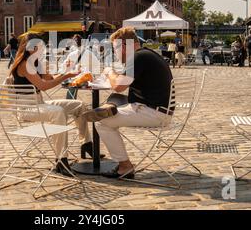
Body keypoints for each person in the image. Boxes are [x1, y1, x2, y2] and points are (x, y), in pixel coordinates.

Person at [81, 27, 174, 179]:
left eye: (115, 48)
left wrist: (109, 71)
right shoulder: (145, 55)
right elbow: (123, 81)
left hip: (153, 113)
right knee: (114, 101)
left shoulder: (138, 58)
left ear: (123, 46)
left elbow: (119, 86)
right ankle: (109, 108)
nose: (115, 53)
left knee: (101, 122)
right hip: (159, 110)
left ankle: (125, 166)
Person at [9, 32, 95, 177]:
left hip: (39, 103)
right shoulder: (24, 64)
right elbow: (44, 86)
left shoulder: (35, 62)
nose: (43, 50)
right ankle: (61, 159)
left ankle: (86, 143)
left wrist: (66, 71)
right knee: (58, 112)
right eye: (40, 47)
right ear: (30, 48)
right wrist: (66, 76)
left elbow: (51, 78)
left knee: (78, 105)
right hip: (27, 108)